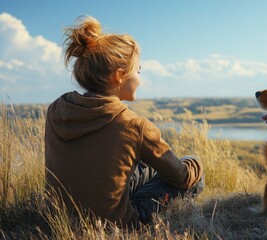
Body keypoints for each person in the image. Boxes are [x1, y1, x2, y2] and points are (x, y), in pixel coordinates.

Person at [44, 16, 204, 227]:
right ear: (119, 76)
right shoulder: (134, 126)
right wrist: (194, 165)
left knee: (146, 166)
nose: (139, 77)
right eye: (138, 71)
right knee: (193, 172)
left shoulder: (56, 109)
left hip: (57, 218)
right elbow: (182, 178)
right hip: (114, 225)